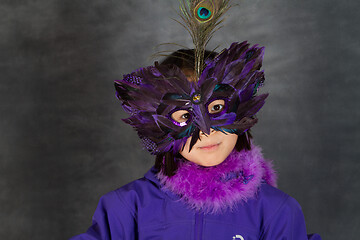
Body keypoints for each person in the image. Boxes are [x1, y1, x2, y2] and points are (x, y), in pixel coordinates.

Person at [70, 1, 321, 239]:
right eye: (185, 116)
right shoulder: (127, 209)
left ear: (241, 108)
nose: (206, 131)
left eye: (217, 108)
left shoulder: (277, 212)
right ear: (159, 128)